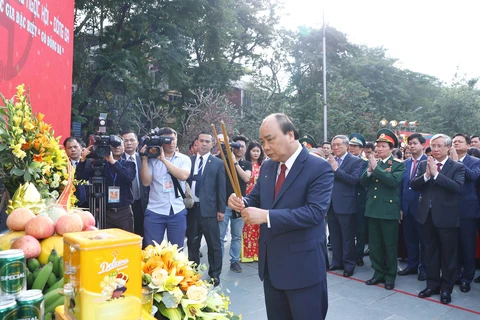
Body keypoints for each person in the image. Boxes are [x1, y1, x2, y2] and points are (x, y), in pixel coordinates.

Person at [228, 113, 334, 320]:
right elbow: (256, 198)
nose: (265, 147)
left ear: (290, 135)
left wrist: (266, 216)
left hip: (304, 269)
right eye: (262, 142)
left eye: (270, 139)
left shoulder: (318, 168)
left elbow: (314, 213)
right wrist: (241, 202)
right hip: (272, 267)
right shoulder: (268, 166)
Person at [411, 134, 465, 305]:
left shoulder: (457, 167)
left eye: (439, 146)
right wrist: (426, 175)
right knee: (430, 252)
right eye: (433, 145)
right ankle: (432, 285)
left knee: (448, 255)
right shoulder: (423, 164)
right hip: (426, 216)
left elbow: (456, 187)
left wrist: (435, 174)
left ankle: (446, 289)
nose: (435, 149)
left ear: (448, 148)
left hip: (447, 218)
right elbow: (414, 185)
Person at [360, 129, 405, 291]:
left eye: (383, 146)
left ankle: (390, 275)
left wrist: (375, 168)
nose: (379, 149)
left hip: (388, 210)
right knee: (375, 245)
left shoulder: (398, 165)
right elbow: (363, 182)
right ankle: (378, 272)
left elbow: (393, 182)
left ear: (391, 149)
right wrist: (371, 170)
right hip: (373, 209)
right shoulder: (374, 163)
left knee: (390, 245)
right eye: (377, 146)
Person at [139, 127, 191, 248]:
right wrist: (144, 160)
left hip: (177, 210)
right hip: (155, 210)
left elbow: (183, 175)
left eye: (173, 139)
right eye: (167, 140)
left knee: (177, 250)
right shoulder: (151, 160)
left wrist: (163, 160)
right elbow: (146, 182)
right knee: (151, 250)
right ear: (161, 141)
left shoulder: (184, 159)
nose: (171, 143)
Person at [186, 132, 226, 286]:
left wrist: (221, 209)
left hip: (210, 210)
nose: (203, 144)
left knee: (214, 245)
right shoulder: (188, 161)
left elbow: (221, 188)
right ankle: (192, 273)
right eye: (201, 140)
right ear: (196, 142)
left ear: (212, 144)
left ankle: (215, 274)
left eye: (207, 141)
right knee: (192, 243)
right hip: (192, 209)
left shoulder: (217, 163)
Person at [76, 137, 136, 232]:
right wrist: (83, 158)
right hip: (105, 211)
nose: (116, 148)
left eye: (119, 145)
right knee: (107, 241)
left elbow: (128, 177)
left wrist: (113, 162)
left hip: (124, 211)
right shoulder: (99, 165)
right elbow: (80, 177)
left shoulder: (129, 163)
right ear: (108, 148)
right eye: (113, 146)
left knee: (125, 241)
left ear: (123, 147)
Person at [327, 135, 364, 277]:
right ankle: (337, 262)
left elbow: (354, 180)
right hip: (331, 204)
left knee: (348, 237)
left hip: (347, 204)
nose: (335, 148)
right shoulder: (329, 161)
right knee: (334, 235)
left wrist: (337, 170)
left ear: (347, 146)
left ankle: (349, 264)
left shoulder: (356, 161)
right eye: (333, 145)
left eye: (338, 145)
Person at [450, 133, 480, 293]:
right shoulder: (447, 161)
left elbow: (473, 176)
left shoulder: (475, 162)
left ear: (469, 146)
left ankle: (467, 278)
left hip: (468, 211)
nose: (455, 144)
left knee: (468, 246)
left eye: (459, 142)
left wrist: (457, 163)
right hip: (449, 209)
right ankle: (454, 274)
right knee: (453, 246)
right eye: (453, 142)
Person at [218, 135, 252, 273]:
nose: (239, 149)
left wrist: (235, 163)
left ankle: (235, 261)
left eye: (242, 146)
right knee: (220, 236)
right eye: (237, 146)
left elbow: (246, 178)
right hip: (225, 204)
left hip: (239, 203)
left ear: (245, 149)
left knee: (236, 236)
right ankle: (218, 261)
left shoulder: (247, 164)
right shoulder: (223, 162)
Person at [398, 133, 428, 281]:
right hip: (407, 208)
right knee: (410, 239)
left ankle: (424, 268)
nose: (412, 146)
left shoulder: (429, 162)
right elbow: (401, 187)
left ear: (423, 145)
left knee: (424, 240)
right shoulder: (404, 164)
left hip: (422, 208)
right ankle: (412, 265)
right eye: (410, 143)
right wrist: (400, 208)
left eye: (415, 143)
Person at [121, 130, 149, 239]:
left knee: (141, 235)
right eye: (125, 140)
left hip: (141, 203)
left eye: (132, 140)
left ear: (137, 143)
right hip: (124, 205)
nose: (129, 143)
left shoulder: (144, 159)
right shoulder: (118, 159)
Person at [241, 141, 265, 263]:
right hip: (249, 197)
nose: (255, 153)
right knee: (248, 226)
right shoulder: (246, 165)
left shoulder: (264, 166)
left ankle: (259, 253)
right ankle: (248, 254)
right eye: (253, 151)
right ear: (249, 152)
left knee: (259, 226)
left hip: (261, 199)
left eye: (258, 151)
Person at [348, 133, 369, 267]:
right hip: (345, 200)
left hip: (360, 200)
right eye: (350, 145)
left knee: (360, 230)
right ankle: (349, 254)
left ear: (361, 149)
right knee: (348, 229)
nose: (352, 148)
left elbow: (361, 180)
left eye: (356, 146)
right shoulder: (343, 161)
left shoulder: (365, 163)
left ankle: (359, 255)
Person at [64, 137, 88, 208]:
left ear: (81, 148)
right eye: (69, 148)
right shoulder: (63, 165)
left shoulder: (90, 163)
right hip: (69, 203)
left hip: (88, 203)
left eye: (75, 147)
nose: (73, 150)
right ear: (65, 150)